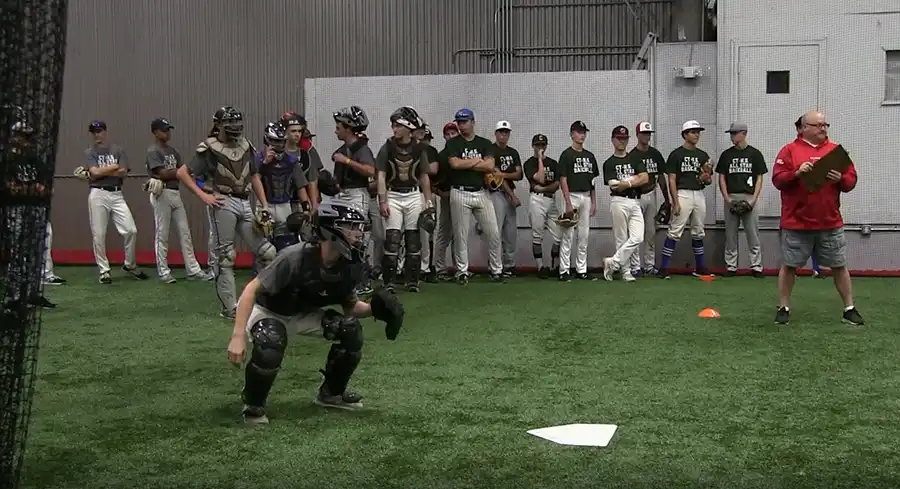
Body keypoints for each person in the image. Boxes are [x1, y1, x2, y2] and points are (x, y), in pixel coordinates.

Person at [226, 201, 406, 425]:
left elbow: (350, 307)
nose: (359, 234)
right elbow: (251, 290)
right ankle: (253, 404)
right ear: (330, 231)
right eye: (350, 227)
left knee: (349, 329)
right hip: (268, 311)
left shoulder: (348, 265)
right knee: (271, 339)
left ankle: (332, 394)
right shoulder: (295, 256)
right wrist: (237, 336)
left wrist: (374, 310)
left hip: (302, 313)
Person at [176, 106, 276, 320]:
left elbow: (254, 175)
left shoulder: (246, 144)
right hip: (223, 202)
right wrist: (204, 196)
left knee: (267, 252)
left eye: (236, 122)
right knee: (226, 257)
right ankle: (230, 308)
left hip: (245, 202)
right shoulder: (209, 147)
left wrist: (264, 204)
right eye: (229, 123)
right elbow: (183, 173)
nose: (234, 127)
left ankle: (261, 299)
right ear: (218, 125)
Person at [771, 110, 863, 326]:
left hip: (830, 221)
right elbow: (778, 180)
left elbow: (851, 181)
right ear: (803, 128)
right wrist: (796, 173)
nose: (823, 128)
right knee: (789, 265)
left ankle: (849, 309)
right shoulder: (789, 151)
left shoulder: (835, 151)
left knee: (839, 265)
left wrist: (841, 178)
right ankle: (783, 307)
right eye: (818, 125)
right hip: (796, 222)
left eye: (825, 125)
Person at [2, 108, 56, 311]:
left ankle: (33, 293)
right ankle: (14, 296)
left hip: (36, 209)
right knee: (17, 252)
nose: (26, 141)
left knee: (36, 253)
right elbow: (11, 188)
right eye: (22, 136)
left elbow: (47, 189)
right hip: (16, 210)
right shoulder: (7, 161)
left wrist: (31, 189)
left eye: (28, 137)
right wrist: (32, 189)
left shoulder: (35, 161)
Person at [145, 117, 211, 283]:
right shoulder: (153, 151)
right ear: (155, 132)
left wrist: (195, 180)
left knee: (185, 232)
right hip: (161, 193)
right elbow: (161, 173)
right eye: (164, 130)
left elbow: (183, 173)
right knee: (162, 234)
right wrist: (181, 172)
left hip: (175, 192)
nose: (167, 133)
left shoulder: (173, 152)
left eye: (168, 130)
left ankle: (193, 270)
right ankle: (163, 271)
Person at [375, 106, 433, 292]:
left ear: (408, 128)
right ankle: (389, 281)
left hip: (413, 194)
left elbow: (424, 176)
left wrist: (428, 202)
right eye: (393, 125)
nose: (394, 129)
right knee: (392, 239)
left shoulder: (419, 148)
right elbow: (381, 175)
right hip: (393, 194)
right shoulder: (388, 146)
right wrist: (383, 200)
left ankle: (412, 281)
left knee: (413, 239)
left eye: (398, 125)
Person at [82, 121, 148, 284]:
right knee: (99, 234)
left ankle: (129, 265)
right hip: (98, 193)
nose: (97, 135)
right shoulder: (90, 152)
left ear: (105, 131)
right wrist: (113, 167)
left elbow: (123, 172)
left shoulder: (118, 150)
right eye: (94, 132)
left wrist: (102, 171)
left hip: (117, 193)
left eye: (99, 131)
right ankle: (104, 270)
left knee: (131, 230)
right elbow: (95, 173)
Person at [445, 108, 504, 284]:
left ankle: (496, 269)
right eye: (459, 122)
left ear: (473, 122)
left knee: (493, 232)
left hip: (481, 192)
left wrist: (467, 163)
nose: (461, 125)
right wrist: (479, 161)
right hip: (460, 191)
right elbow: (455, 164)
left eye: (464, 121)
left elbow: (490, 165)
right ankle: (462, 271)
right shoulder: (453, 143)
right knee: (461, 235)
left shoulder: (484, 143)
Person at [657, 120, 713, 279]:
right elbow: (672, 179)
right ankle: (663, 268)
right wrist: (675, 202)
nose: (697, 135)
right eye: (693, 132)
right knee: (675, 231)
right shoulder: (676, 154)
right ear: (685, 134)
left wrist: (706, 178)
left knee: (698, 231)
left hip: (698, 193)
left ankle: (700, 267)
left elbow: (708, 180)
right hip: (682, 193)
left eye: (698, 132)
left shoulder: (703, 155)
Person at [716, 122, 767, 277]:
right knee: (730, 234)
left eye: (734, 133)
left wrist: (753, 200)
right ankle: (731, 266)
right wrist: (727, 199)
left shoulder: (755, 154)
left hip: (749, 196)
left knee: (753, 233)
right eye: (731, 133)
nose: (732, 136)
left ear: (743, 133)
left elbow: (759, 177)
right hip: (732, 196)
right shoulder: (726, 155)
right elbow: (721, 177)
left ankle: (756, 267)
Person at [601, 125, 648, 282]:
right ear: (613, 140)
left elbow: (645, 178)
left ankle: (612, 262)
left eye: (625, 138)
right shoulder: (609, 163)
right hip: (618, 201)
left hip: (635, 200)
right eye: (619, 138)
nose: (622, 141)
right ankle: (625, 272)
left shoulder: (634, 158)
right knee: (621, 238)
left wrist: (627, 183)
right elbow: (614, 185)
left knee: (638, 237)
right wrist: (634, 179)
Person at [256, 121, 310, 252]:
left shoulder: (291, 161)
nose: (279, 145)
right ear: (267, 140)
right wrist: (264, 163)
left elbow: (300, 185)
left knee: (285, 245)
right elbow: (252, 181)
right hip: (265, 204)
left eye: (281, 141)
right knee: (264, 248)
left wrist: (306, 208)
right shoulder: (257, 158)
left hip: (285, 205)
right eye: (276, 141)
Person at [558, 120, 600, 281]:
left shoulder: (590, 156)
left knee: (584, 235)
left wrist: (594, 201)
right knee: (568, 234)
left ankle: (581, 269)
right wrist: (568, 202)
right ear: (572, 134)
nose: (582, 135)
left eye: (583, 132)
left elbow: (593, 181)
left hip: (586, 196)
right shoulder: (566, 155)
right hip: (572, 196)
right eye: (578, 132)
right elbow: (563, 179)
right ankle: (564, 270)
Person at [628, 122, 667, 276]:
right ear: (637, 135)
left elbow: (661, 176)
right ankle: (635, 266)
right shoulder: (632, 155)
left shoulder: (655, 154)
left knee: (650, 232)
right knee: (636, 233)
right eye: (644, 133)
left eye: (648, 133)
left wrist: (667, 199)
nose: (647, 136)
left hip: (651, 194)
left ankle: (649, 266)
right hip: (636, 197)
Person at [523, 133, 561, 278]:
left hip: (551, 200)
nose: (540, 148)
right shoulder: (529, 163)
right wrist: (539, 159)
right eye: (538, 145)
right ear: (533, 146)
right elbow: (540, 178)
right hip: (537, 200)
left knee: (558, 234)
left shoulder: (553, 163)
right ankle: (540, 267)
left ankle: (554, 265)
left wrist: (544, 188)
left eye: (543, 145)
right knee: (537, 235)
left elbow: (556, 184)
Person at [431, 122, 459, 281]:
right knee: (444, 232)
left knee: (459, 234)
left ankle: (460, 267)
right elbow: (431, 180)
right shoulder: (441, 156)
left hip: (462, 195)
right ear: (444, 137)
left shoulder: (462, 153)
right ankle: (440, 268)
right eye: (448, 134)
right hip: (447, 197)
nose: (450, 136)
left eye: (453, 133)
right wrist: (440, 193)